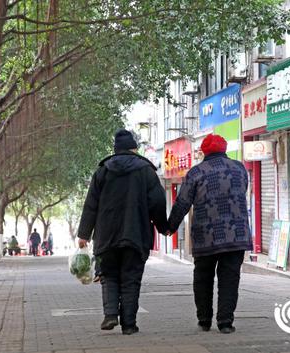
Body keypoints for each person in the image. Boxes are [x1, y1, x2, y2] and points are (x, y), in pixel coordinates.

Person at [78, 129, 168, 335]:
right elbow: (157, 201)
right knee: (131, 278)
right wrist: (164, 227)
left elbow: (91, 205)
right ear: (134, 149)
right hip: (136, 234)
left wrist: (84, 234)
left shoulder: (103, 171)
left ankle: (110, 314)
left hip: (106, 236)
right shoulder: (146, 170)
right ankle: (129, 324)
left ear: (116, 149)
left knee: (109, 276)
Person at [167, 134, 253, 334]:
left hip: (206, 236)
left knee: (203, 277)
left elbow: (183, 202)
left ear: (203, 151)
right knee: (230, 278)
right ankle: (225, 322)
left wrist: (170, 226)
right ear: (224, 149)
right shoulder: (239, 169)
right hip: (236, 235)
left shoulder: (196, 172)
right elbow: (243, 190)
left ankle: (204, 320)